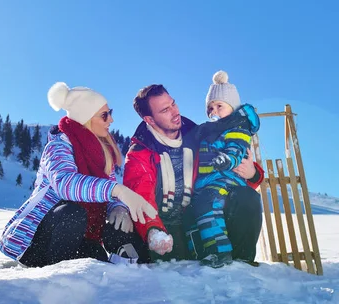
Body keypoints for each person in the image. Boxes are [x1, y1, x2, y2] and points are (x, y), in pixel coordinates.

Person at [0, 82, 157, 267]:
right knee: (72, 213)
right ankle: (51, 274)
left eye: (110, 112)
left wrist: (118, 207)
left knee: (115, 229)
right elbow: (66, 184)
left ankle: (142, 265)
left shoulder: (102, 153)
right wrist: (117, 190)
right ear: (86, 119)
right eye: (104, 115)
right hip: (36, 241)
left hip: (80, 236)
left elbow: (109, 192)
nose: (111, 120)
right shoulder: (58, 146)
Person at [110, 81, 264, 265]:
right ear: (150, 120)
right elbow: (142, 196)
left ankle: (241, 267)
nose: (175, 112)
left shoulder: (198, 134)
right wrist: (153, 229)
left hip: (196, 215)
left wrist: (253, 174)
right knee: (121, 229)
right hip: (163, 223)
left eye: (173, 103)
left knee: (247, 197)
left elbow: (224, 168)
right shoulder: (141, 151)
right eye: (165, 110)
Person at [186, 70, 261, 268]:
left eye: (219, 106)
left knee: (210, 204)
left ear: (233, 108)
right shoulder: (205, 132)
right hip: (207, 181)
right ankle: (208, 250)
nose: (214, 111)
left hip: (226, 178)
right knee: (201, 207)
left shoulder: (237, 128)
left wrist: (227, 160)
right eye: (210, 107)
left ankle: (220, 252)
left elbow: (237, 150)